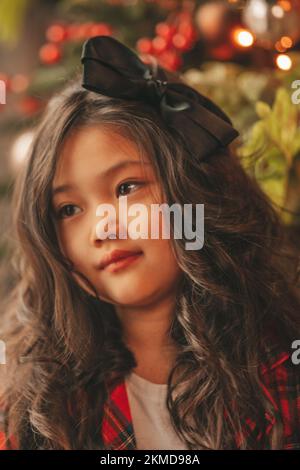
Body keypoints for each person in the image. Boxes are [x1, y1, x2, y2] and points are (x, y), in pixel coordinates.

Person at [0, 35, 299, 450]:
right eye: (69, 209)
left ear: (193, 192)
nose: (102, 228)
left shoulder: (281, 363)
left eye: (126, 187)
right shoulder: (36, 406)